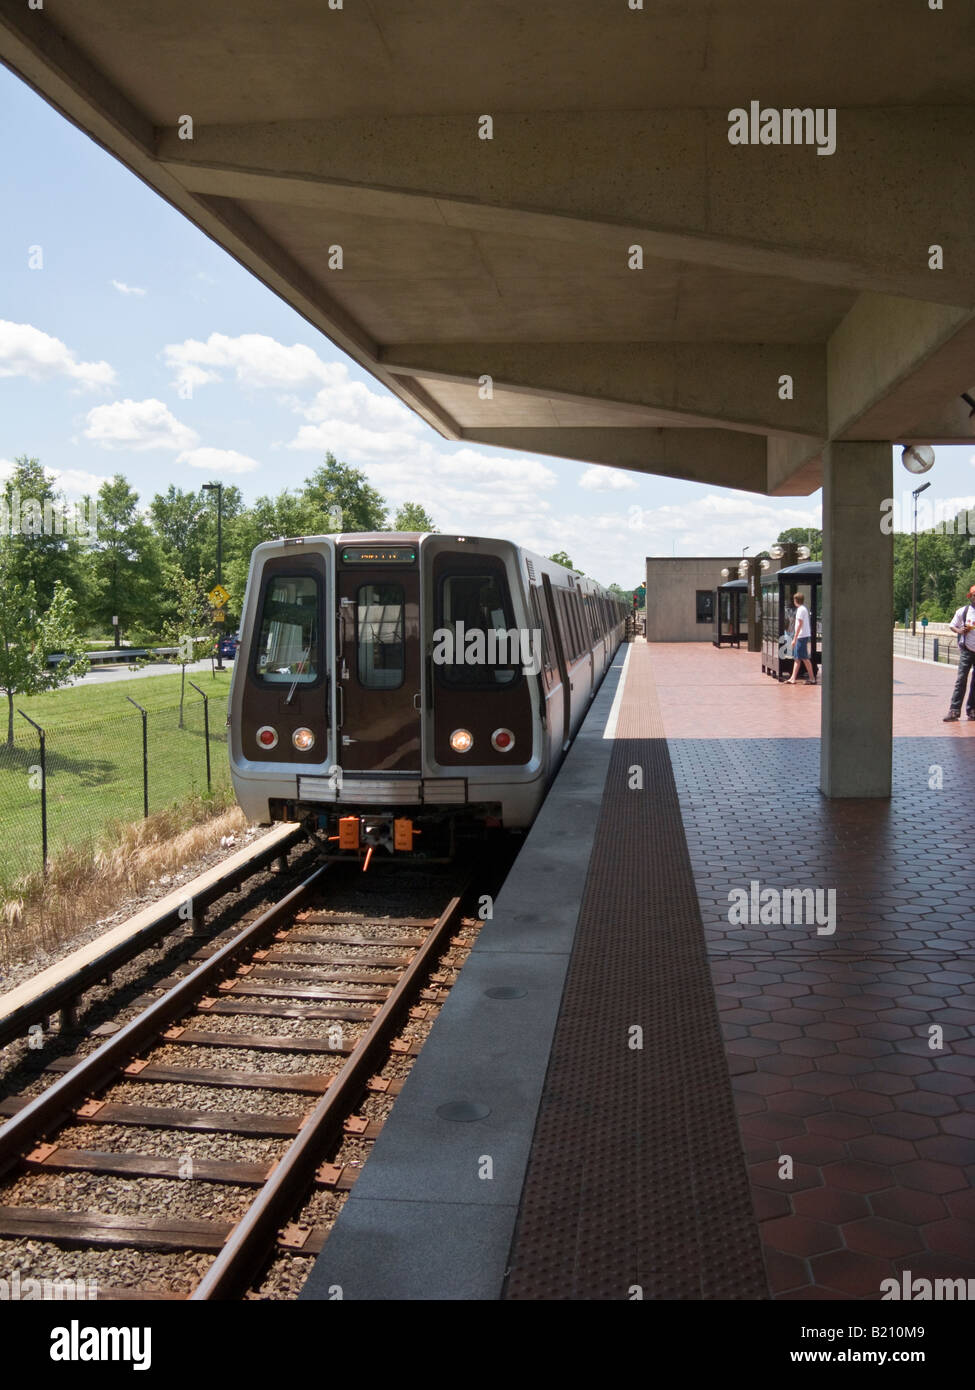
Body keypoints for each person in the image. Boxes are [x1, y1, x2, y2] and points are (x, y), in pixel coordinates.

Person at [942, 584, 975, 721]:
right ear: (970, 596)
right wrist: (960, 631)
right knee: (961, 679)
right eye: (974, 595)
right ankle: (954, 710)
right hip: (967, 650)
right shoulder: (964, 611)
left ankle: (972, 709)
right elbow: (952, 625)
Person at [786, 591, 816, 685]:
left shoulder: (800, 610)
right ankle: (793, 678)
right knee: (798, 658)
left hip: (801, 636)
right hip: (803, 636)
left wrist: (794, 638)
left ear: (796, 600)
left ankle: (812, 679)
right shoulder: (804, 609)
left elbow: (799, 624)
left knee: (804, 658)